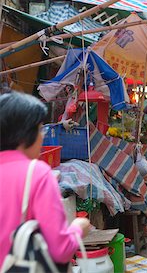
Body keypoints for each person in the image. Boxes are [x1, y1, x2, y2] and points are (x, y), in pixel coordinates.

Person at [0, 92, 90, 266]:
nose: (43, 136)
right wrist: (78, 228)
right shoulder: (37, 173)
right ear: (25, 134)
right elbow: (60, 250)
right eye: (40, 129)